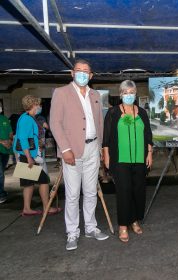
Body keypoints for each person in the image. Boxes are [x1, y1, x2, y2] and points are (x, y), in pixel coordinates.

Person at [50, 59, 109, 251]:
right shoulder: (61, 93)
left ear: (91, 76)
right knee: (73, 194)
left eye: (86, 71)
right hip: (72, 151)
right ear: (72, 73)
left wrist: (100, 148)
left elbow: (99, 121)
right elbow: (55, 123)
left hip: (93, 148)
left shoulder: (95, 94)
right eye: (79, 70)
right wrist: (65, 149)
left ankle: (90, 228)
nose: (83, 74)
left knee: (91, 192)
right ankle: (72, 232)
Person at [103, 80, 153, 243]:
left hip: (140, 159)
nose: (129, 95)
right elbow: (106, 138)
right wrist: (107, 157)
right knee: (124, 192)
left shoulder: (142, 113)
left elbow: (148, 135)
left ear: (135, 94)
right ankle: (123, 225)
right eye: (125, 92)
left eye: (131, 92)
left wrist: (149, 153)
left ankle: (134, 220)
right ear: (120, 94)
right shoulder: (113, 113)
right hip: (120, 160)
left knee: (138, 191)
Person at [13, 95, 60, 215]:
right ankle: (46, 207)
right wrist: (29, 157)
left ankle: (27, 209)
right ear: (33, 105)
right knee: (43, 181)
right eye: (38, 104)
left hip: (26, 154)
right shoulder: (27, 119)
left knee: (28, 184)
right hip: (28, 155)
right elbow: (23, 139)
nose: (40, 106)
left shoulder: (26, 117)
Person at [0, 105, 13, 203]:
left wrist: (10, 141)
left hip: (6, 150)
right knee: (0, 173)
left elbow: (10, 132)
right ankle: (1, 194)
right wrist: (2, 142)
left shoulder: (4, 118)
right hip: (2, 146)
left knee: (2, 171)